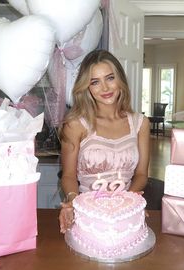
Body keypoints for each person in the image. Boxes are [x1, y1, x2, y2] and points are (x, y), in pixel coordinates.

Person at [59, 49, 150, 233]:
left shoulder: (141, 123)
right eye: (95, 82)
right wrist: (73, 201)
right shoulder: (75, 125)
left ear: (120, 79)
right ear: (87, 87)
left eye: (110, 78)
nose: (105, 88)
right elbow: (68, 176)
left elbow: (141, 174)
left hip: (125, 217)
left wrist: (127, 204)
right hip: (88, 217)